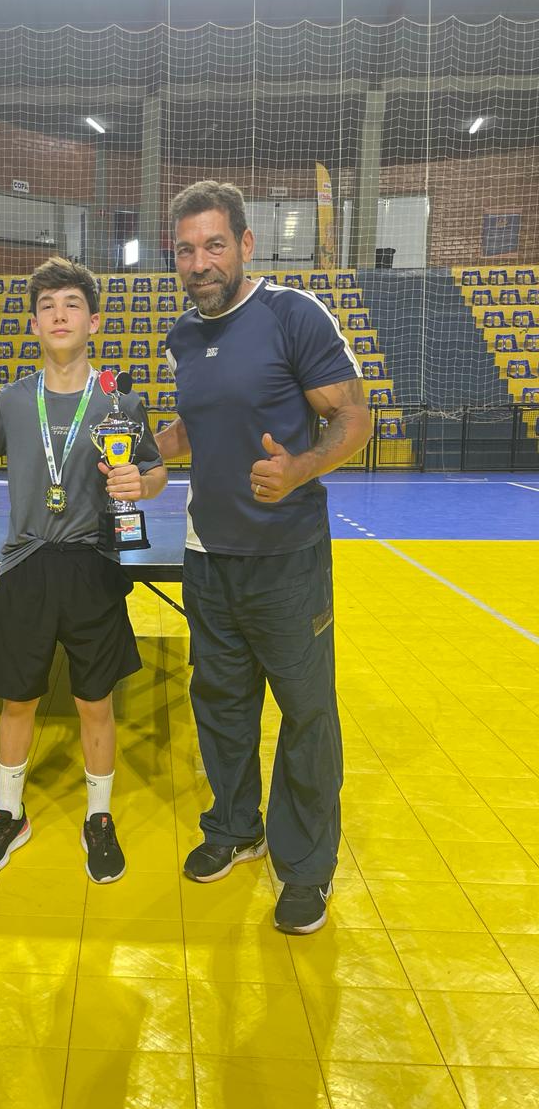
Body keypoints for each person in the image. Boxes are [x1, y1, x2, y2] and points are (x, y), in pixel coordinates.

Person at [155, 181, 372, 934]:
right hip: (207, 556)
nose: (200, 263)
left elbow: (353, 415)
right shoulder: (184, 336)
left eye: (214, 245)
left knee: (307, 714)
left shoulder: (292, 315)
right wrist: (143, 454)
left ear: (246, 244)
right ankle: (235, 826)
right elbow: (194, 426)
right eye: (186, 250)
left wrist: (300, 469)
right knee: (220, 704)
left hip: (286, 558)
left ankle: (306, 867)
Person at [0, 257, 167, 884]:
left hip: (94, 566)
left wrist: (141, 484)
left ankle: (98, 817)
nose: (59, 315)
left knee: (95, 702)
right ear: (33, 324)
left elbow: (154, 472)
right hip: (27, 565)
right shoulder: (13, 401)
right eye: (47, 306)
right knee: (17, 701)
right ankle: (9, 814)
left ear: (94, 321)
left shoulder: (121, 401)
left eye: (72, 304)